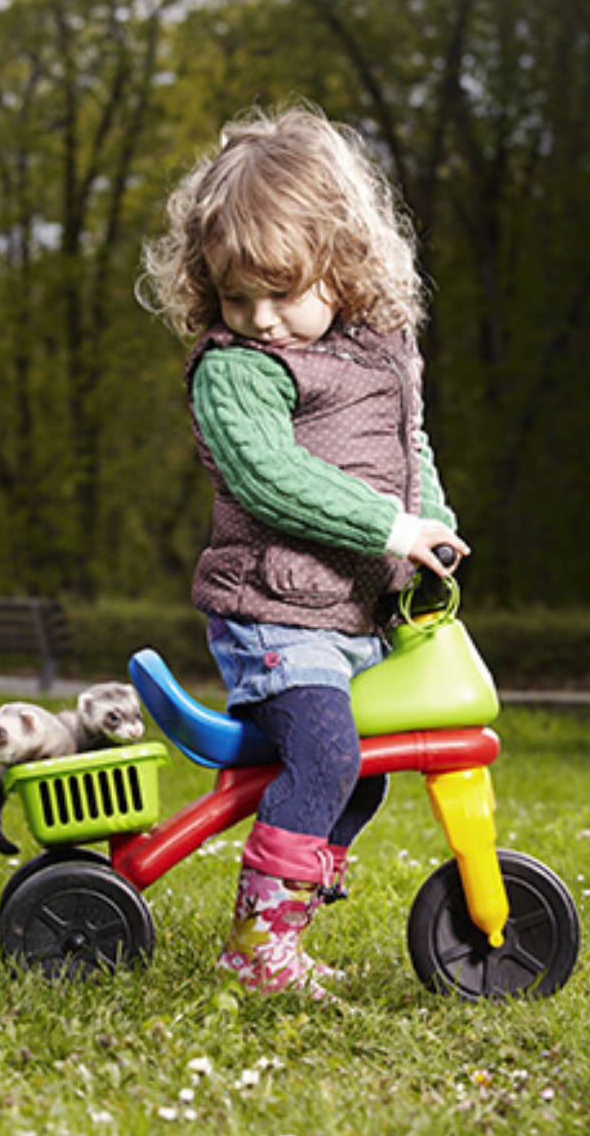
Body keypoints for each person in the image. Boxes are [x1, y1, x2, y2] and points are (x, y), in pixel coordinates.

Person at [139, 104, 469, 1000]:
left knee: (358, 782)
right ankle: (256, 947)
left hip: (349, 614)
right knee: (325, 758)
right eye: (236, 296)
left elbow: (411, 451)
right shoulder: (236, 369)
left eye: (284, 293)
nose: (262, 319)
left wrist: (427, 535)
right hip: (273, 614)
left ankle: (285, 926)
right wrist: (391, 531)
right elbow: (270, 478)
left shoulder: (379, 351)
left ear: (342, 263)